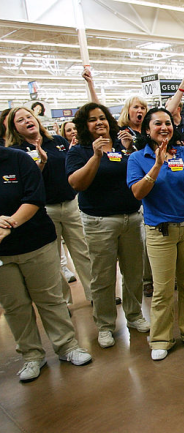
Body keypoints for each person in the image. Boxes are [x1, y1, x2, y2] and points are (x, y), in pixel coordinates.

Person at [0, 146, 92, 382]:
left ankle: (67, 346)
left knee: (50, 298)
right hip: (2, 254)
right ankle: (32, 356)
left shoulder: (17, 159)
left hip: (35, 242)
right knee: (15, 306)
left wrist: (9, 224)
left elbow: (34, 197)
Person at [66, 102, 150, 348]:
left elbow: (136, 173)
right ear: (85, 125)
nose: (99, 122)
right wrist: (95, 155)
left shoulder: (121, 147)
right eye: (93, 119)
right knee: (102, 277)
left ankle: (134, 315)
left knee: (133, 273)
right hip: (99, 221)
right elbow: (77, 184)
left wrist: (128, 149)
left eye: (102, 118)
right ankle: (104, 325)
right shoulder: (79, 151)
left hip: (131, 218)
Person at [127, 107, 184, 361]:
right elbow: (138, 193)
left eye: (168, 123)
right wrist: (157, 165)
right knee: (162, 289)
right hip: (160, 232)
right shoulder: (138, 158)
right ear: (147, 129)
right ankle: (161, 338)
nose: (165, 128)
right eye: (158, 124)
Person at [6, 107, 93, 306]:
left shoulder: (57, 142)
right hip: (44, 210)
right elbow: (25, 185)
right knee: (52, 260)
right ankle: (63, 302)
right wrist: (41, 164)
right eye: (20, 120)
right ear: (14, 128)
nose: (27, 121)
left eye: (29, 116)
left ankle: (93, 294)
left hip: (71, 204)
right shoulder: (16, 153)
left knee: (83, 253)